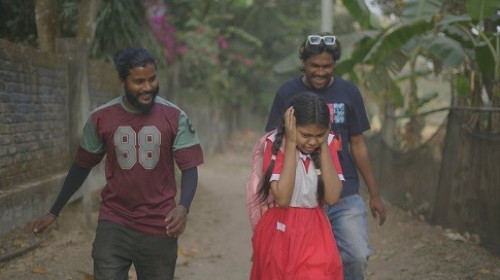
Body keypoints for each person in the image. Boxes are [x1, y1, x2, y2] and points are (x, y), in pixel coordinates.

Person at [32, 47, 204, 280]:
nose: (147, 87)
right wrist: (54, 211)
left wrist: (183, 207)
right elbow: (81, 166)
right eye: (138, 81)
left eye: (152, 79)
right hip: (114, 221)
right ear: (123, 81)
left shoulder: (175, 117)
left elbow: (189, 168)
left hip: (159, 224)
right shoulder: (101, 118)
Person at [265, 33, 387, 280]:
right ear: (304, 64)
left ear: (334, 65)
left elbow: (358, 144)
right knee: (298, 265)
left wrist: (374, 193)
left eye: (326, 66)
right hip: (299, 197)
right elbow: (271, 142)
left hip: (343, 193)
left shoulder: (349, 92)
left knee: (355, 255)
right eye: (314, 66)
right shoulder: (286, 92)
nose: (320, 72)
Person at [250, 92, 344, 280]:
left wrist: (324, 145)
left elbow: (332, 197)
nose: (312, 141)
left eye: (318, 135)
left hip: (315, 228)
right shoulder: (275, 144)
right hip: (280, 229)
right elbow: (283, 199)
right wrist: (292, 142)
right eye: (305, 135)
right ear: (291, 127)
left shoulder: (328, 143)